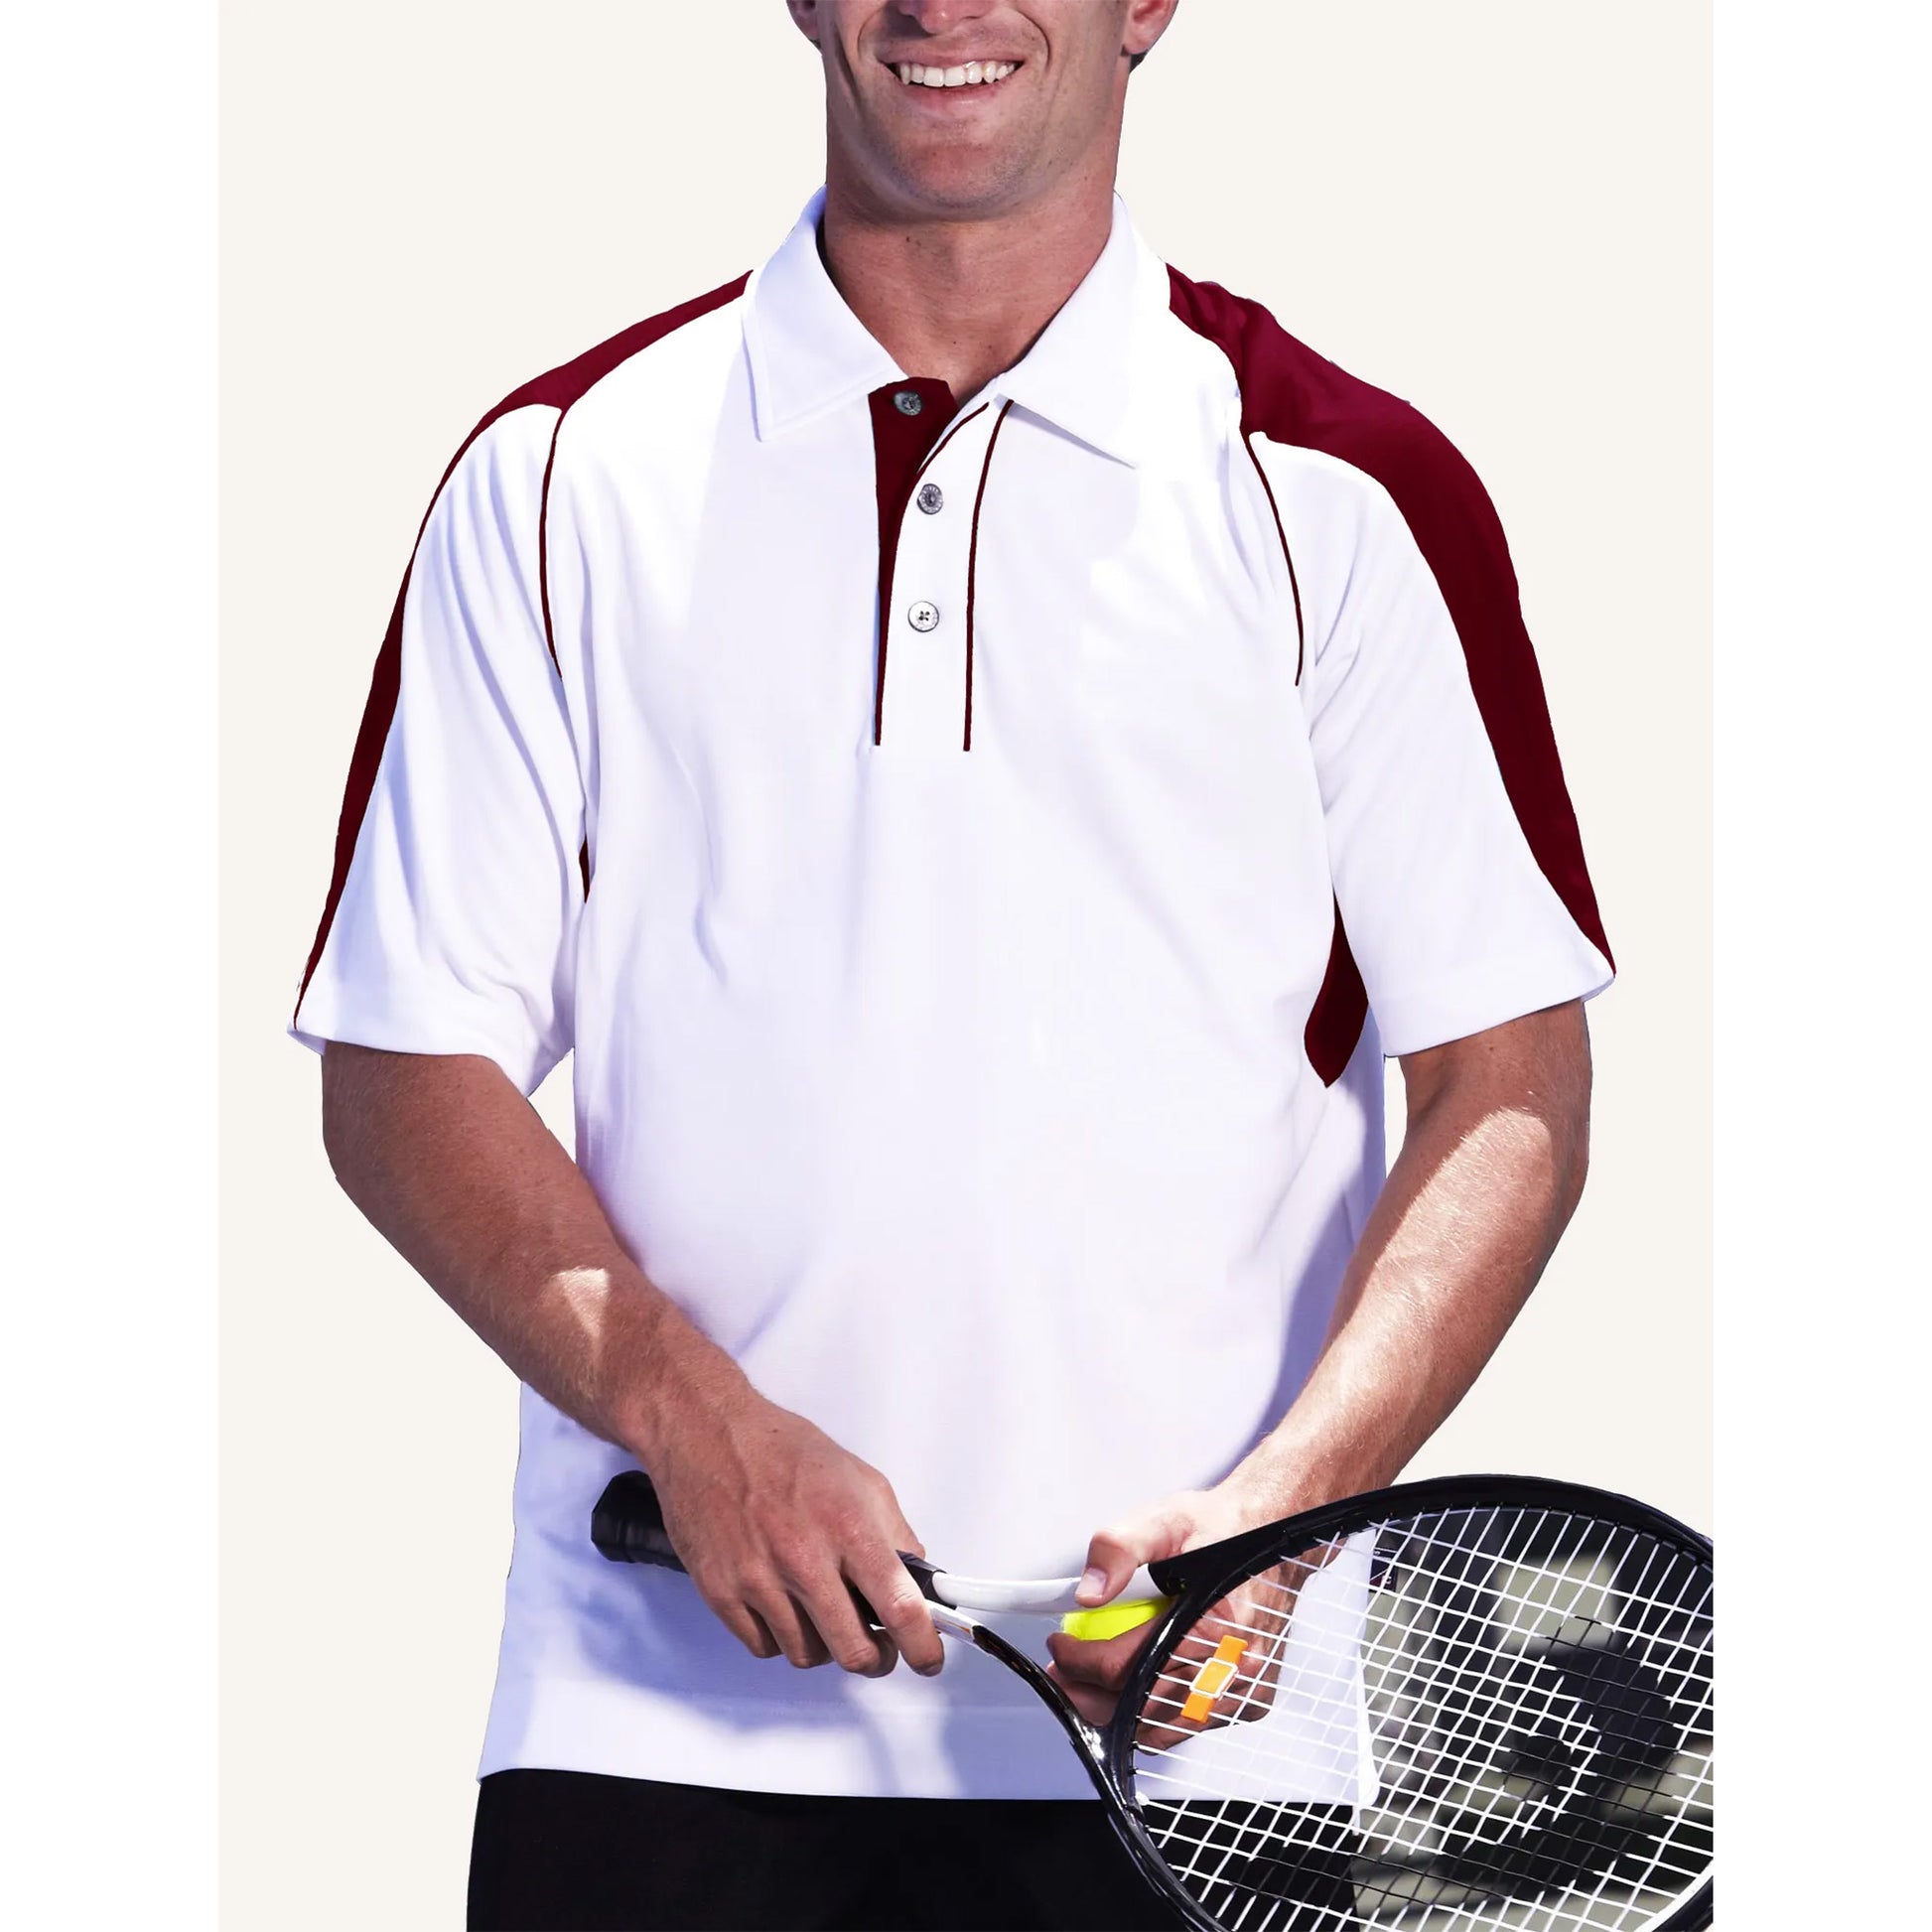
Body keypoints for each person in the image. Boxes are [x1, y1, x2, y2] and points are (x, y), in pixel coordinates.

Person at [292, 2, 1614, 1926]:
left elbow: (1508, 1082)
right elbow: (404, 1066)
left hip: (1203, 1755)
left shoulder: (1343, 483)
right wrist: (691, 1418)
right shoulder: (557, 473)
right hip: (655, 1728)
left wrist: (1283, 1514)